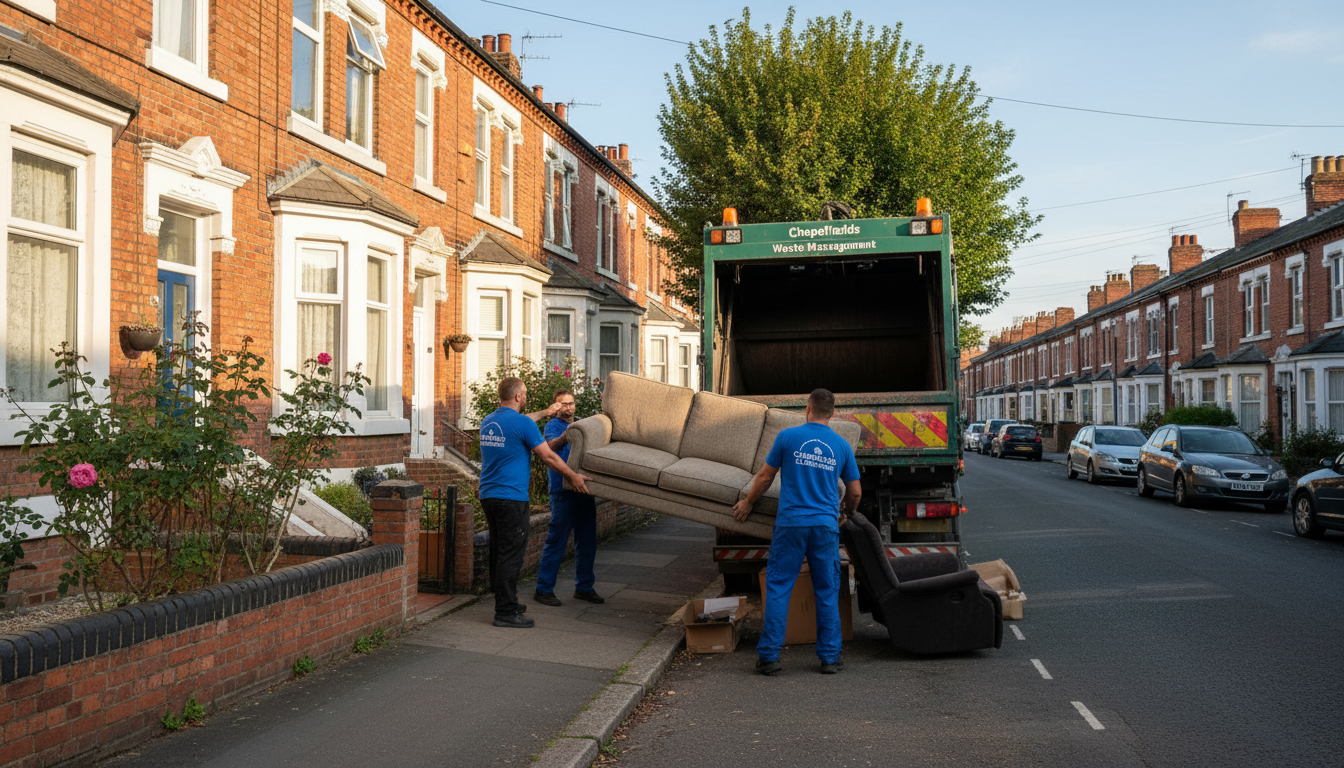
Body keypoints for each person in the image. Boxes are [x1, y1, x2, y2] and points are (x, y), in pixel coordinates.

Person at [732, 388, 861, 675]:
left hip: (790, 524)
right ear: (833, 413)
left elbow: (765, 476)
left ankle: (769, 658)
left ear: (808, 408)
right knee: (827, 590)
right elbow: (855, 492)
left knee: (779, 587)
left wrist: (747, 502)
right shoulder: (841, 446)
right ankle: (829, 658)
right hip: (824, 527)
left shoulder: (787, 437)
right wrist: (845, 513)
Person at [479, 377, 591, 628]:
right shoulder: (521, 424)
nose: (526, 397)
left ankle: (505, 600)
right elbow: (548, 457)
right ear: (519, 396)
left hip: (488, 495)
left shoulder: (489, 421)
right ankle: (505, 612)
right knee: (511, 555)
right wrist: (572, 476)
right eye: (525, 394)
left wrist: (546, 412)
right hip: (512, 498)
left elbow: (521, 421)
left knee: (499, 551)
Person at [533, 389, 604, 607]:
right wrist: (566, 437)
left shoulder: (580, 426)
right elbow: (548, 449)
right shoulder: (552, 427)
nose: (568, 407)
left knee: (587, 541)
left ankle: (584, 587)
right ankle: (543, 590)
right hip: (563, 491)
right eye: (563, 404)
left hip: (583, 489)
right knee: (557, 541)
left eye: (571, 403)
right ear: (555, 407)